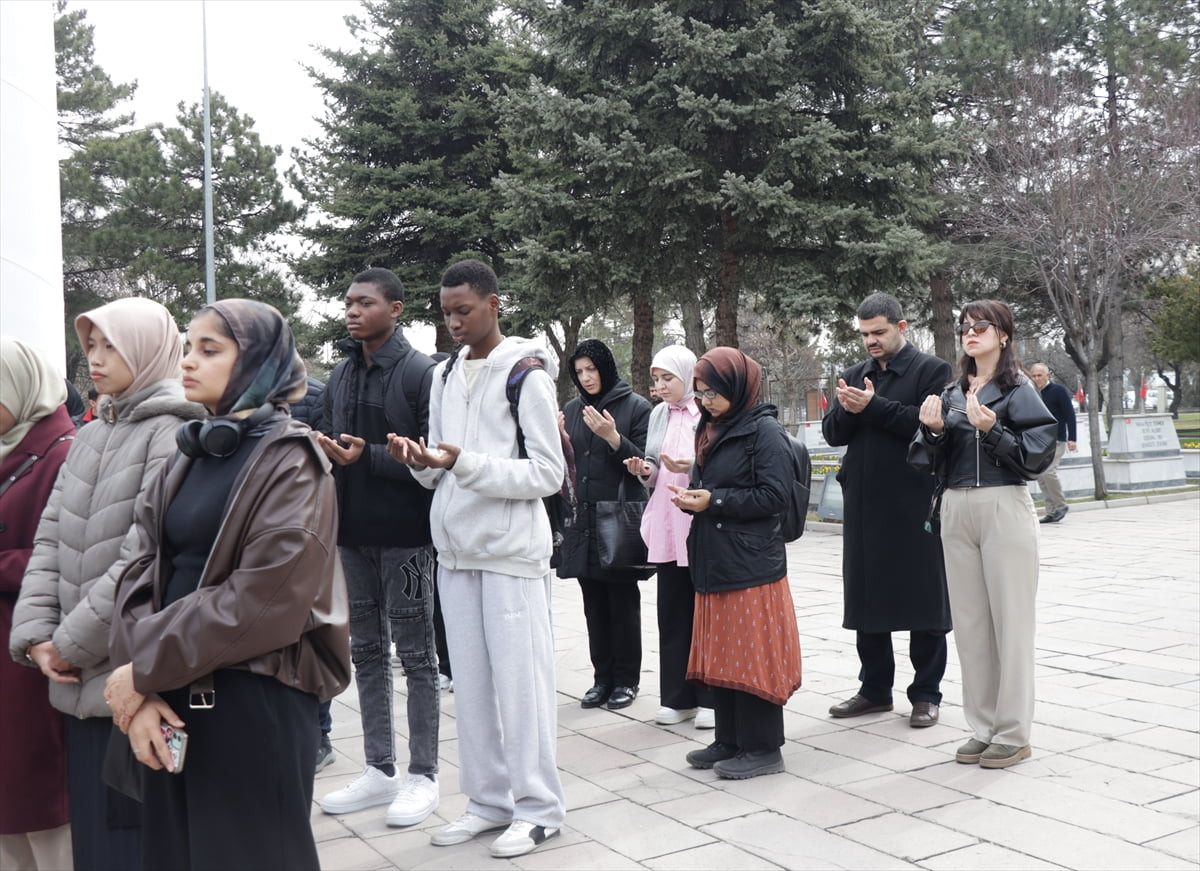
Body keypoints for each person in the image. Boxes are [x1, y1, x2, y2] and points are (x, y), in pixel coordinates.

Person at [103, 299, 351, 869]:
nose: (188, 361)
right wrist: (140, 692)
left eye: (209, 349)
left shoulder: (294, 464)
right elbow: (137, 571)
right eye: (188, 347)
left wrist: (142, 670)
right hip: (169, 703)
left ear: (259, 363)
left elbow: (266, 600)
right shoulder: (186, 457)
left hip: (252, 707)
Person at [10, 297, 205, 871]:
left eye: (109, 345)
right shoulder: (94, 432)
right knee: (97, 843)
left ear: (146, 349)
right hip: (76, 685)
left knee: (139, 843)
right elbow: (49, 542)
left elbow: (142, 559)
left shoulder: (174, 432)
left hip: (133, 678)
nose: (94, 358)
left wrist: (65, 645)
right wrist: (36, 636)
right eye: (90, 344)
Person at [388, 259, 566, 858]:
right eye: (446, 313)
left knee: (522, 687)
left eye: (464, 310)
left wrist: (462, 462)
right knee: (472, 688)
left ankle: (540, 807)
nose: (454, 322)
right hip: (456, 553)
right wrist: (421, 462)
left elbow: (548, 472)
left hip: (512, 554)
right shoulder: (442, 376)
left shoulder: (526, 373)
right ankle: (489, 802)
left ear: (495, 303)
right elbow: (440, 475)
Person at [314, 267, 440, 826]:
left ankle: (423, 774)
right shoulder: (340, 373)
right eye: (348, 302)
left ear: (396, 309)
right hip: (352, 536)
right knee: (364, 653)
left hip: (408, 539)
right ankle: (379, 768)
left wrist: (367, 456)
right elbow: (338, 446)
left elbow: (434, 459)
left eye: (365, 302)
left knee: (416, 658)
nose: (352, 311)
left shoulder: (420, 373)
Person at [911, 299, 1056, 769]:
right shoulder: (952, 392)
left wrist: (993, 431)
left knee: (1010, 623)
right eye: (965, 327)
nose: (970, 333)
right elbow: (924, 458)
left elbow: (1037, 456)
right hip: (956, 505)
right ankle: (983, 727)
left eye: (981, 326)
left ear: (1004, 335)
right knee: (971, 624)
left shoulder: (1018, 390)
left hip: (1003, 504)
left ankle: (1013, 732)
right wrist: (932, 432)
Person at [668, 348, 803, 780]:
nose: (705, 401)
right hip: (715, 557)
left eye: (714, 393)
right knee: (722, 653)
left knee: (752, 656)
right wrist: (695, 500)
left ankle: (763, 747)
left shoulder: (763, 431)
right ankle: (729, 738)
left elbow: (775, 497)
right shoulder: (711, 428)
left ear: (739, 388)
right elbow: (705, 483)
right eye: (701, 393)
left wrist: (716, 501)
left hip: (751, 563)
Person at [821, 293, 952, 728]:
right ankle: (874, 690)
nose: (870, 341)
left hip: (914, 503)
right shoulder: (854, 375)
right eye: (864, 334)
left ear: (902, 326)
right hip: (863, 503)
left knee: (924, 600)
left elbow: (928, 423)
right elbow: (834, 434)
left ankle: (926, 694)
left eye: (878, 332)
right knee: (867, 599)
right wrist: (848, 406)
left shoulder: (932, 370)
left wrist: (873, 407)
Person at [1, 338, 75, 871]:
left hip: (33, 655)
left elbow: (72, 559)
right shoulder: (10, 446)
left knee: (44, 808)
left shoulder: (62, 452)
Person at [558, 339, 653, 711]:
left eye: (591, 369)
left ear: (606, 367)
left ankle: (627, 680)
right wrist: (559, 439)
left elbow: (645, 465)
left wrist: (613, 438)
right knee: (593, 604)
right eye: (579, 372)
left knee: (622, 602)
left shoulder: (636, 407)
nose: (586, 377)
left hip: (618, 518)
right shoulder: (572, 408)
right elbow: (566, 463)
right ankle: (602, 679)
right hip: (583, 519)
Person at [624, 345, 714, 729]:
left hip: (697, 521)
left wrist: (693, 466)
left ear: (688, 376)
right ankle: (677, 698)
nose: (660, 386)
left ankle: (711, 698)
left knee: (706, 614)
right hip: (666, 519)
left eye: (668, 379)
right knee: (672, 613)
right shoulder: (658, 413)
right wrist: (645, 470)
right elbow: (656, 472)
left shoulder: (708, 411)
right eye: (656, 379)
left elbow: (719, 463)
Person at [287, 373, 338, 773]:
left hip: (310, 528)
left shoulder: (317, 393)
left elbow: (331, 458)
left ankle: (320, 734)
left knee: (311, 634)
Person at [1028, 363, 1077, 524]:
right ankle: (1051, 511)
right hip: (1038, 441)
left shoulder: (1059, 391)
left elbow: (1070, 415)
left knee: (1049, 472)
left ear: (1047, 375)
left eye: (1039, 375)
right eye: (1034, 376)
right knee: (1041, 476)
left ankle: (1061, 505)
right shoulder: (1031, 393)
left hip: (1057, 440)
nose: (1036, 379)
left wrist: (1072, 438)